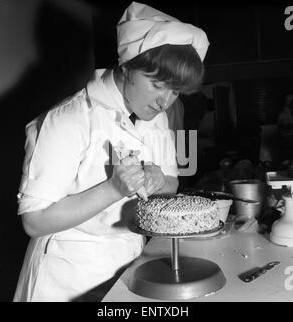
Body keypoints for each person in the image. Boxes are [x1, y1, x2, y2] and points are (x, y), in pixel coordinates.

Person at [14, 1, 209, 301]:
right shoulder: (69, 119)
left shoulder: (157, 118)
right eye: (158, 85)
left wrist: (158, 180)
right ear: (128, 66)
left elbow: (172, 182)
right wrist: (114, 189)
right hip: (67, 279)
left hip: (130, 265)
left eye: (176, 91)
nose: (165, 102)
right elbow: (34, 220)